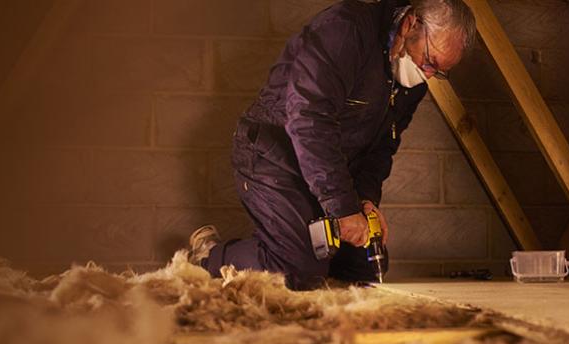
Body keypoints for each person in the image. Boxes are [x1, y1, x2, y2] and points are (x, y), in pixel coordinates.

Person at [189, 0, 476, 290]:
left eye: (439, 72)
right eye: (430, 61)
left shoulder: (411, 81)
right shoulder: (345, 30)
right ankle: (207, 258)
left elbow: (383, 146)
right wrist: (342, 208)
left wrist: (365, 201)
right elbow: (309, 119)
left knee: (364, 267)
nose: (427, 75)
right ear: (409, 24)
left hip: (325, 172)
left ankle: (305, 254)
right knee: (296, 269)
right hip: (272, 156)